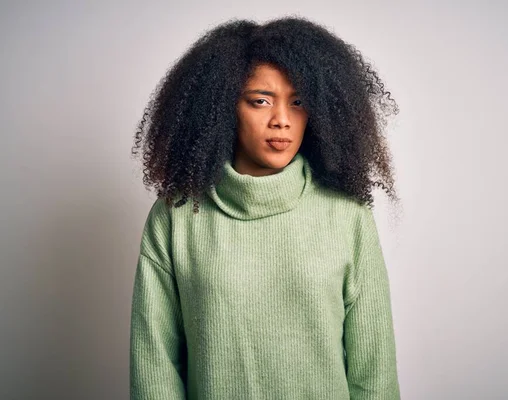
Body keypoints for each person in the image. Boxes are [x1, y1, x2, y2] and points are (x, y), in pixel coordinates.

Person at [129, 15, 402, 399]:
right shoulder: (176, 216)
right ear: (224, 108)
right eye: (260, 101)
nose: (281, 121)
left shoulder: (347, 214)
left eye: (298, 103)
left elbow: (374, 373)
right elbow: (153, 366)